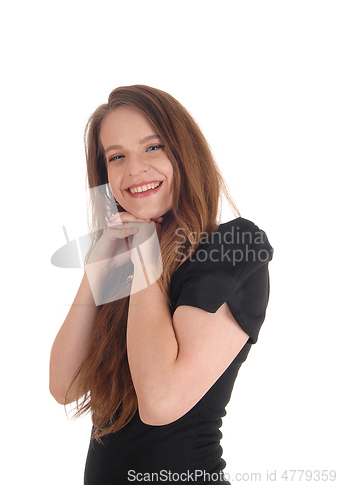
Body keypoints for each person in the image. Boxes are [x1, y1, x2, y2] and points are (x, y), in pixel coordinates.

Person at [49, 85, 273, 484]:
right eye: (116, 157)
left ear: (184, 153)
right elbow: (65, 386)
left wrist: (144, 256)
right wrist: (99, 266)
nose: (134, 169)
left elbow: (160, 401)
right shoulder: (128, 262)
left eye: (153, 148)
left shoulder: (232, 248)